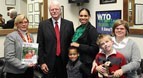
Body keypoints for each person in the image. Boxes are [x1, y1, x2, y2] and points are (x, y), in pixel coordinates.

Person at [37, 0, 74, 78]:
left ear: (60, 10)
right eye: (52, 9)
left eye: (56, 9)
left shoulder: (69, 24)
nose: (54, 11)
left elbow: (72, 43)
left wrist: (72, 60)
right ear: (49, 11)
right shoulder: (43, 25)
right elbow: (40, 45)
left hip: (65, 62)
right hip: (48, 63)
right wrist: (42, 62)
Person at [70, 8, 99, 78]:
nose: (83, 18)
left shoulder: (92, 30)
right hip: (77, 62)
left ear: (89, 17)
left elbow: (94, 49)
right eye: (81, 15)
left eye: (85, 16)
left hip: (87, 64)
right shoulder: (78, 29)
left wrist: (78, 45)